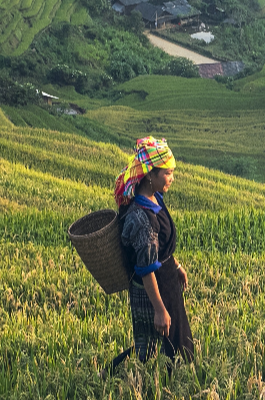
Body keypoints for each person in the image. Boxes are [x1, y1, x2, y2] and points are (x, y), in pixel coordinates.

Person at [108, 137, 194, 372]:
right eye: (167, 173)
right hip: (152, 289)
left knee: (175, 342)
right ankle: (113, 373)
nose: (172, 178)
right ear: (150, 175)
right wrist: (159, 309)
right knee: (151, 347)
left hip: (166, 280)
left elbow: (162, 247)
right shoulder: (141, 218)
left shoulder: (155, 199)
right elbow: (146, 268)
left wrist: (176, 267)